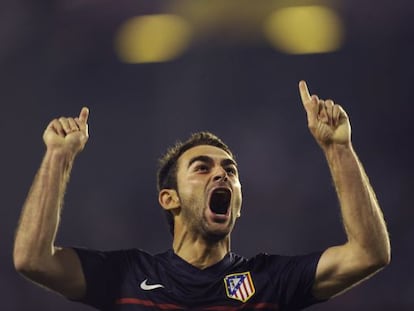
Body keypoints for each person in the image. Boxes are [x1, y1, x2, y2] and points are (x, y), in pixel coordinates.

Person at [13, 81, 390, 310]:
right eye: (202, 168)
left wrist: (338, 149)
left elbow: (369, 254)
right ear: (169, 198)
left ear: (238, 206)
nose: (221, 174)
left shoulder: (270, 281)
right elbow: (32, 259)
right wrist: (58, 157)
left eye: (230, 170)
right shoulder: (127, 277)